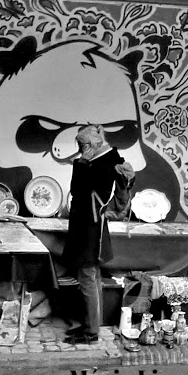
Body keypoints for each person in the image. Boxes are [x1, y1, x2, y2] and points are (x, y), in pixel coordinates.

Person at [62, 124, 133, 344]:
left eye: (80, 145)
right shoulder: (106, 161)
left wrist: (81, 164)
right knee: (91, 277)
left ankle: (92, 331)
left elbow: (78, 191)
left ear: (89, 145)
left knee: (88, 277)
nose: (79, 149)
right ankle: (90, 325)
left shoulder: (101, 164)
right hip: (88, 225)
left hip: (89, 227)